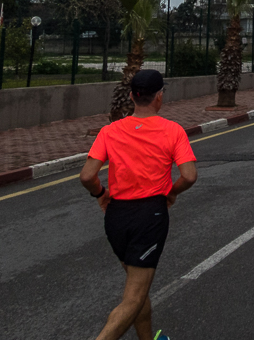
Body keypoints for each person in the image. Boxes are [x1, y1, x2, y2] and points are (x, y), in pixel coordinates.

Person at [80, 70, 198, 340]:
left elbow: (87, 176)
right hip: (149, 216)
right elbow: (189, 175)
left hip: (116, 217)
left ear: (133, 96)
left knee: (136, 287)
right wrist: (171, 192)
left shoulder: (109, 131)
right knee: (133, 298)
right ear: (159, 97)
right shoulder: (173, 131)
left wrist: (100, 194)